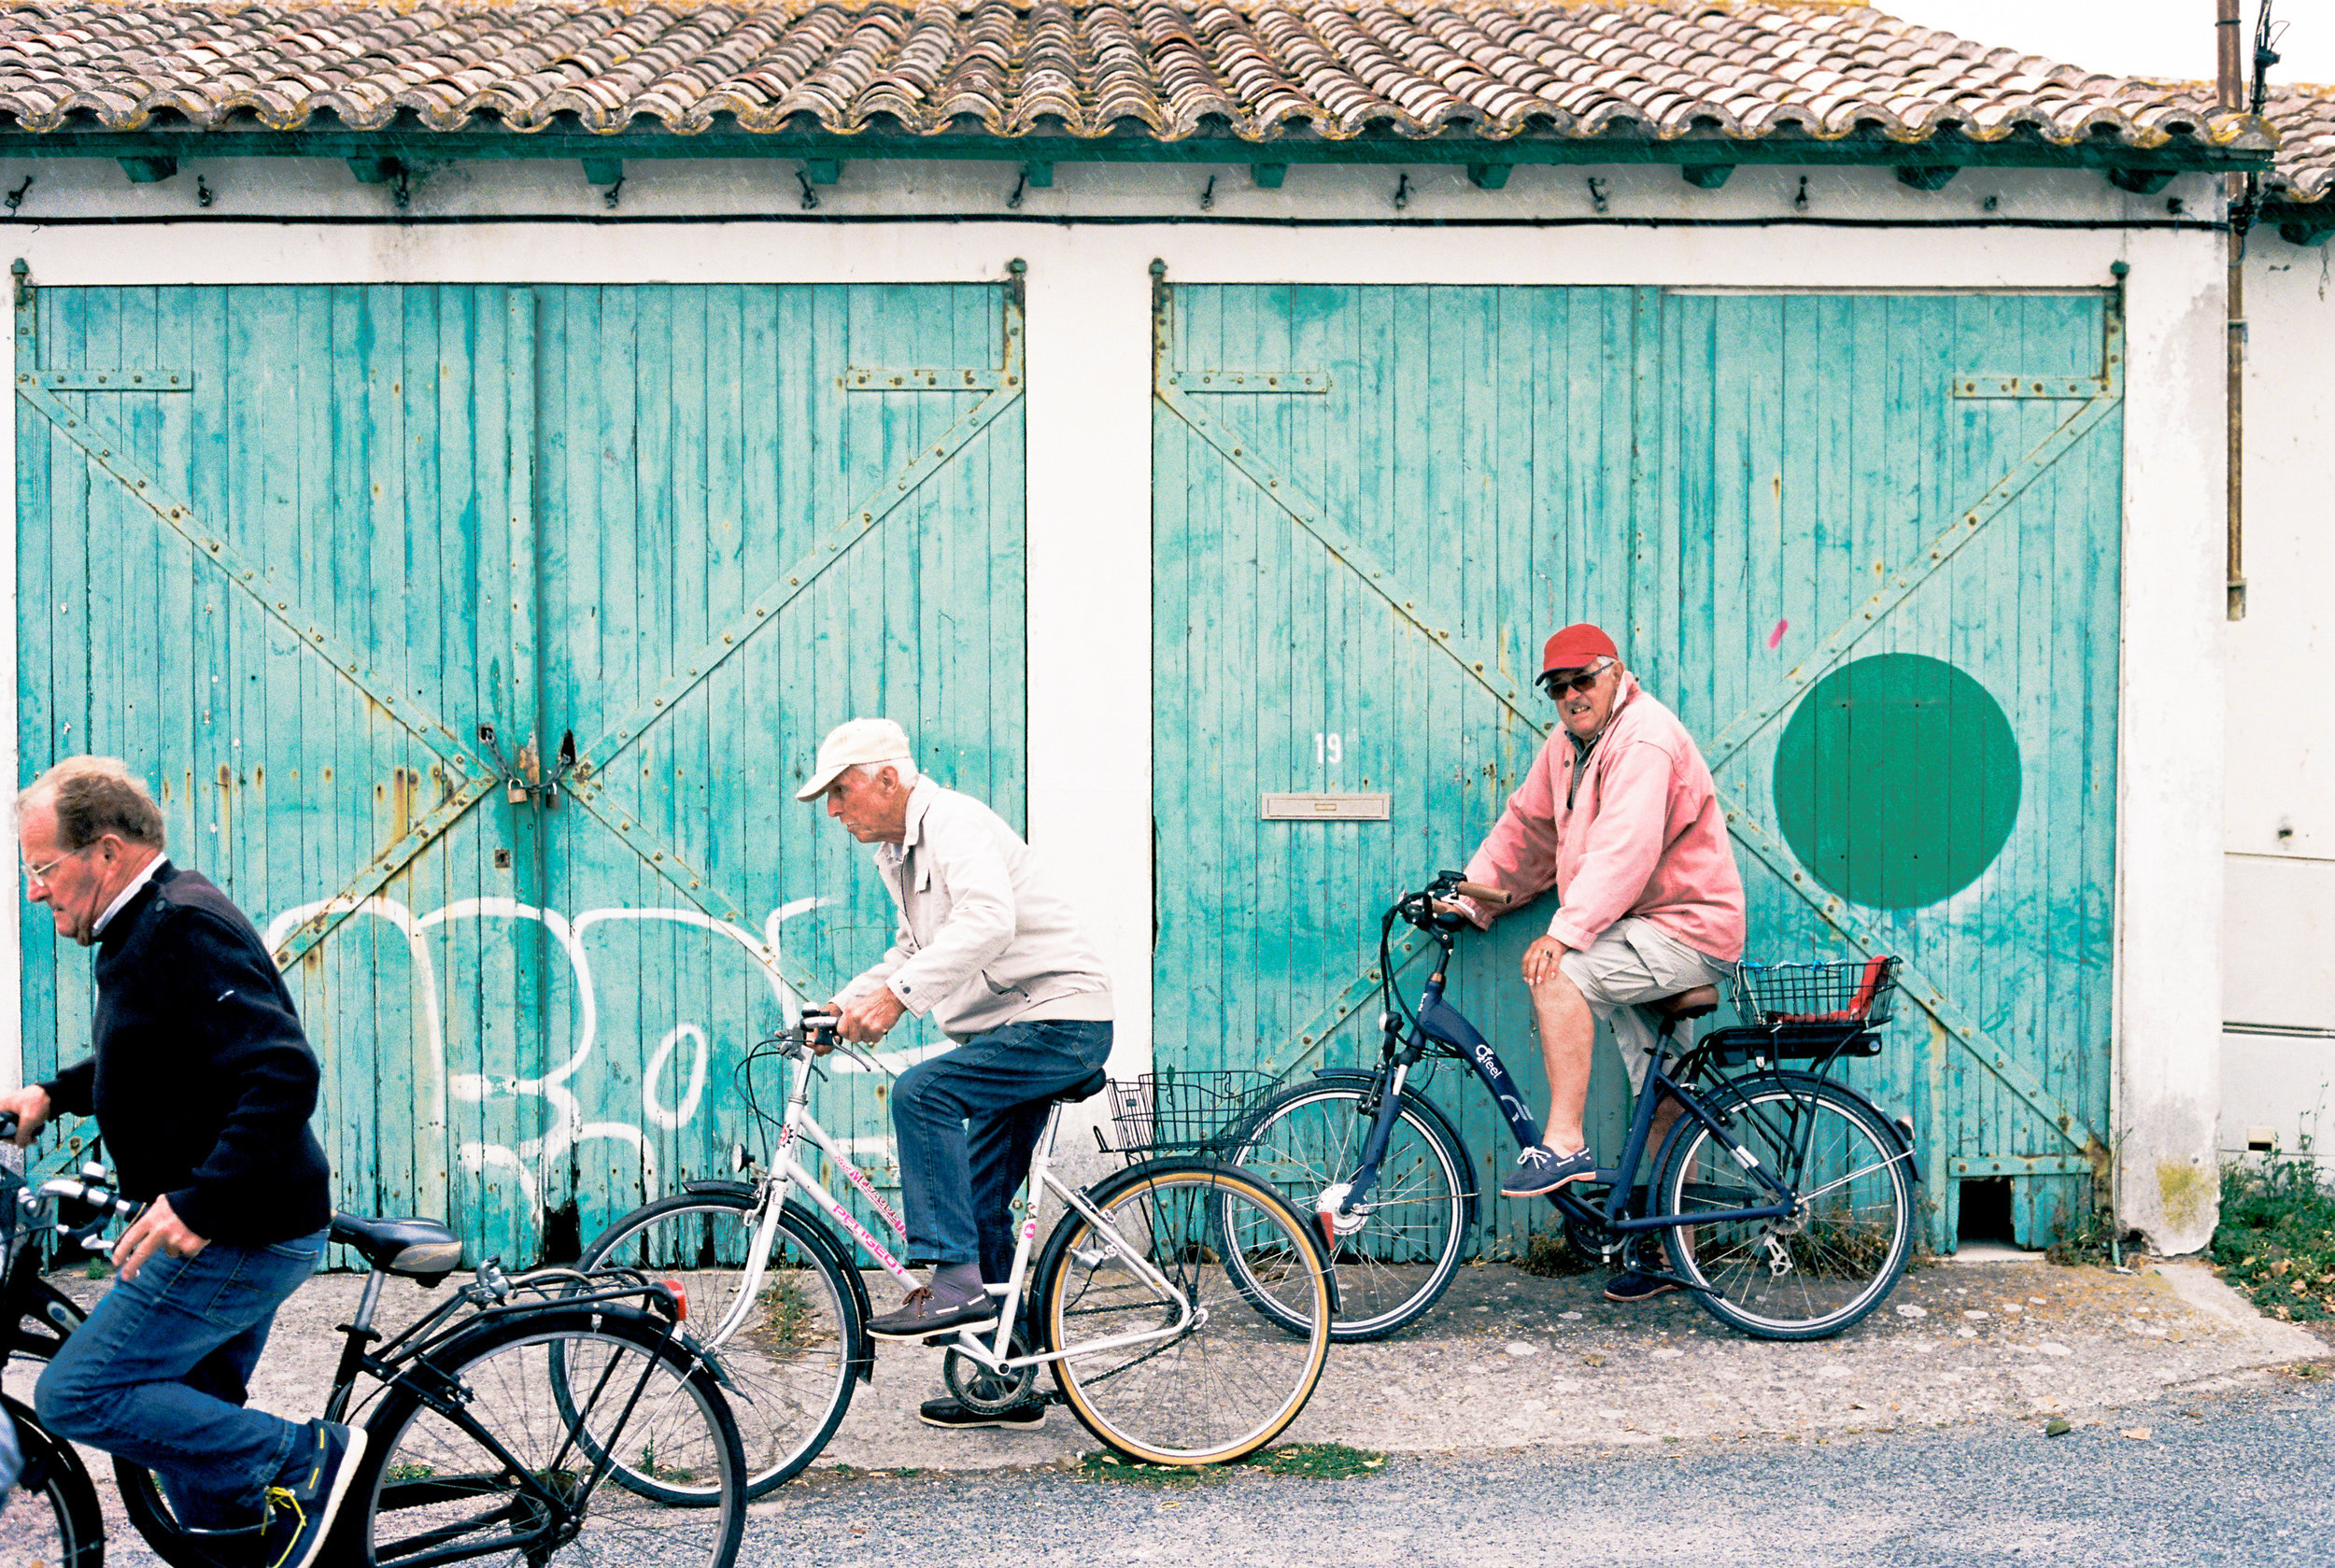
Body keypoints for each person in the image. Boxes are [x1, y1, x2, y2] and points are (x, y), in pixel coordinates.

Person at [0, 757, 361, 1568]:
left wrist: (198, 1202)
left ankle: (306, 1459)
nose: (34, 891)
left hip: (243, 1229)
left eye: (43, 868)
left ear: (108, 851)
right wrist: (52, 1096)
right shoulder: (140, 927)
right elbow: (165, 1062)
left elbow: (283, 1071)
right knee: (194, 1425)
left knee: (76, 1391)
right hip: (238, 1220)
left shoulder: (180, 927)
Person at [800, 718, 1113, 1432]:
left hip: (1062, 1020)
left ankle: (953, 1281)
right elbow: (915, 947)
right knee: (977, 1200)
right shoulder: (900, 855)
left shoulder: (953, 822)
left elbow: (989, 920)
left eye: (841, 791)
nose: (834, 810)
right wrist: (845, 1004)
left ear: (887, 778)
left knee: (922, 1091)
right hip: (1016, 1027)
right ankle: (1009, 1374)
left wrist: (897, 998)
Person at [1447, 625, 1747, 1304]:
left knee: (1561, 973)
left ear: (1617, 674)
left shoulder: (1642, 738)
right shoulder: (1566, 748)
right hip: (1641, 928)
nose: (1571, 694)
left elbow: (1625, 850)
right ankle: (1675, 1253)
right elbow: (1527, 830)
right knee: (1663, 1096)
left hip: (1682, 929)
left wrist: (1565, 931)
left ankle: (1564, 1142)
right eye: (1558, 686)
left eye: (1583, 679)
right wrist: (1468, 898)